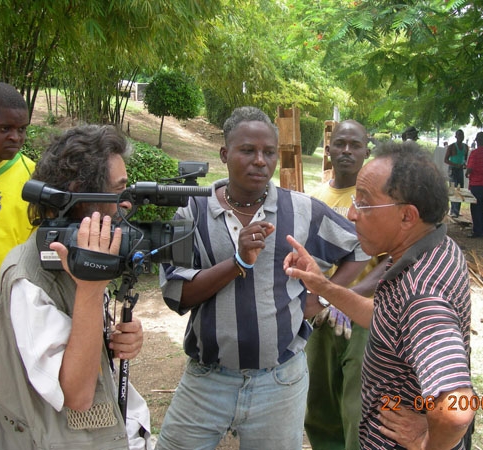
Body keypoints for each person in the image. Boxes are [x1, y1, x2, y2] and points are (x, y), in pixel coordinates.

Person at [156, 106, 369, 450]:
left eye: (269, 152)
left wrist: (324, 297)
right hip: (207, 380)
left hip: (280, 381)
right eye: (248, 151)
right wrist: (237, 262)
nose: (260, 161)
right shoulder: (191, 211)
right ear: (225, 154)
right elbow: (176, 294)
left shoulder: (301, 210)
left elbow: (359, 247)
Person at [284, 140, 475, 449]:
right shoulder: (434, 246)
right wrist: (324, 287)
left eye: (364, 202)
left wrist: (427, 442)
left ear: (407, 217)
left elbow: (456, 410)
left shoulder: (422, 297)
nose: (351, 213)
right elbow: (388, 320)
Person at [0, 125, 151, 449]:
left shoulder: (76, 257)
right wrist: (92, 288)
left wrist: (111, 340)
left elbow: (74, 341)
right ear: (81, 195)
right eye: (119, 192)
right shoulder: (29, 281)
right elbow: (76, 395)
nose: (126, 205)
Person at [306, 119, 388, 450]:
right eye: (340, 144)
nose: (346, 150)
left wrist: (346, 297)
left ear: (367, 151)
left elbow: (391, 260)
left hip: (363, 317)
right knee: (320, 407)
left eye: (355, 145)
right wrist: (320, 303)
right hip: (322, 319)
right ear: (328, 150)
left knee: (358, 408)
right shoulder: (316, 199)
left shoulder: (379, 199)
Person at [0, 82, 35, 289]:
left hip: (9, 307)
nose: (16, 137)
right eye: (5, 128)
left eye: (22, 129)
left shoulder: (34, 179)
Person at [465, 131, 483, 238]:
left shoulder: (474, 153)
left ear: (476, 140)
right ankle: (482, 229)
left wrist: (467, 173)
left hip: (476, 184)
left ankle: (477, 231)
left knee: (475, 208)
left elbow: (470, 168)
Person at [445, 129, 468, 218]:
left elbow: (465, 158)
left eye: (462, 135)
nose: (460, 137)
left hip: (460, 169)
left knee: (460, 189)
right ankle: (453, 210)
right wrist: (455, 164)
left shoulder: (466, 147)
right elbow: (446, 160)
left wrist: (464, 164)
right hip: (453, 169)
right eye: (459, 135)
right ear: (456, 136)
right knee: (452, 189)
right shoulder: (451, 147)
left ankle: (457, 210)